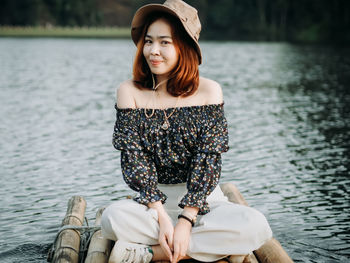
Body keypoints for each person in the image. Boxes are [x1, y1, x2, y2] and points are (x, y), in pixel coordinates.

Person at [101, 1, 272, 262]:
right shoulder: (129, 91)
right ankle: (215, 248)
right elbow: (135, 161)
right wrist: (161, 215)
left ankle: (152, 253)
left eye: (165, 42)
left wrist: (186, 220)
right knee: (112, 219)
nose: (153, 51)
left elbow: (208, 160)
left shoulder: (209, 91)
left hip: (203, 203)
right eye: (148, 41)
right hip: (152, 203)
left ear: (185, 46)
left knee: (257, 226)